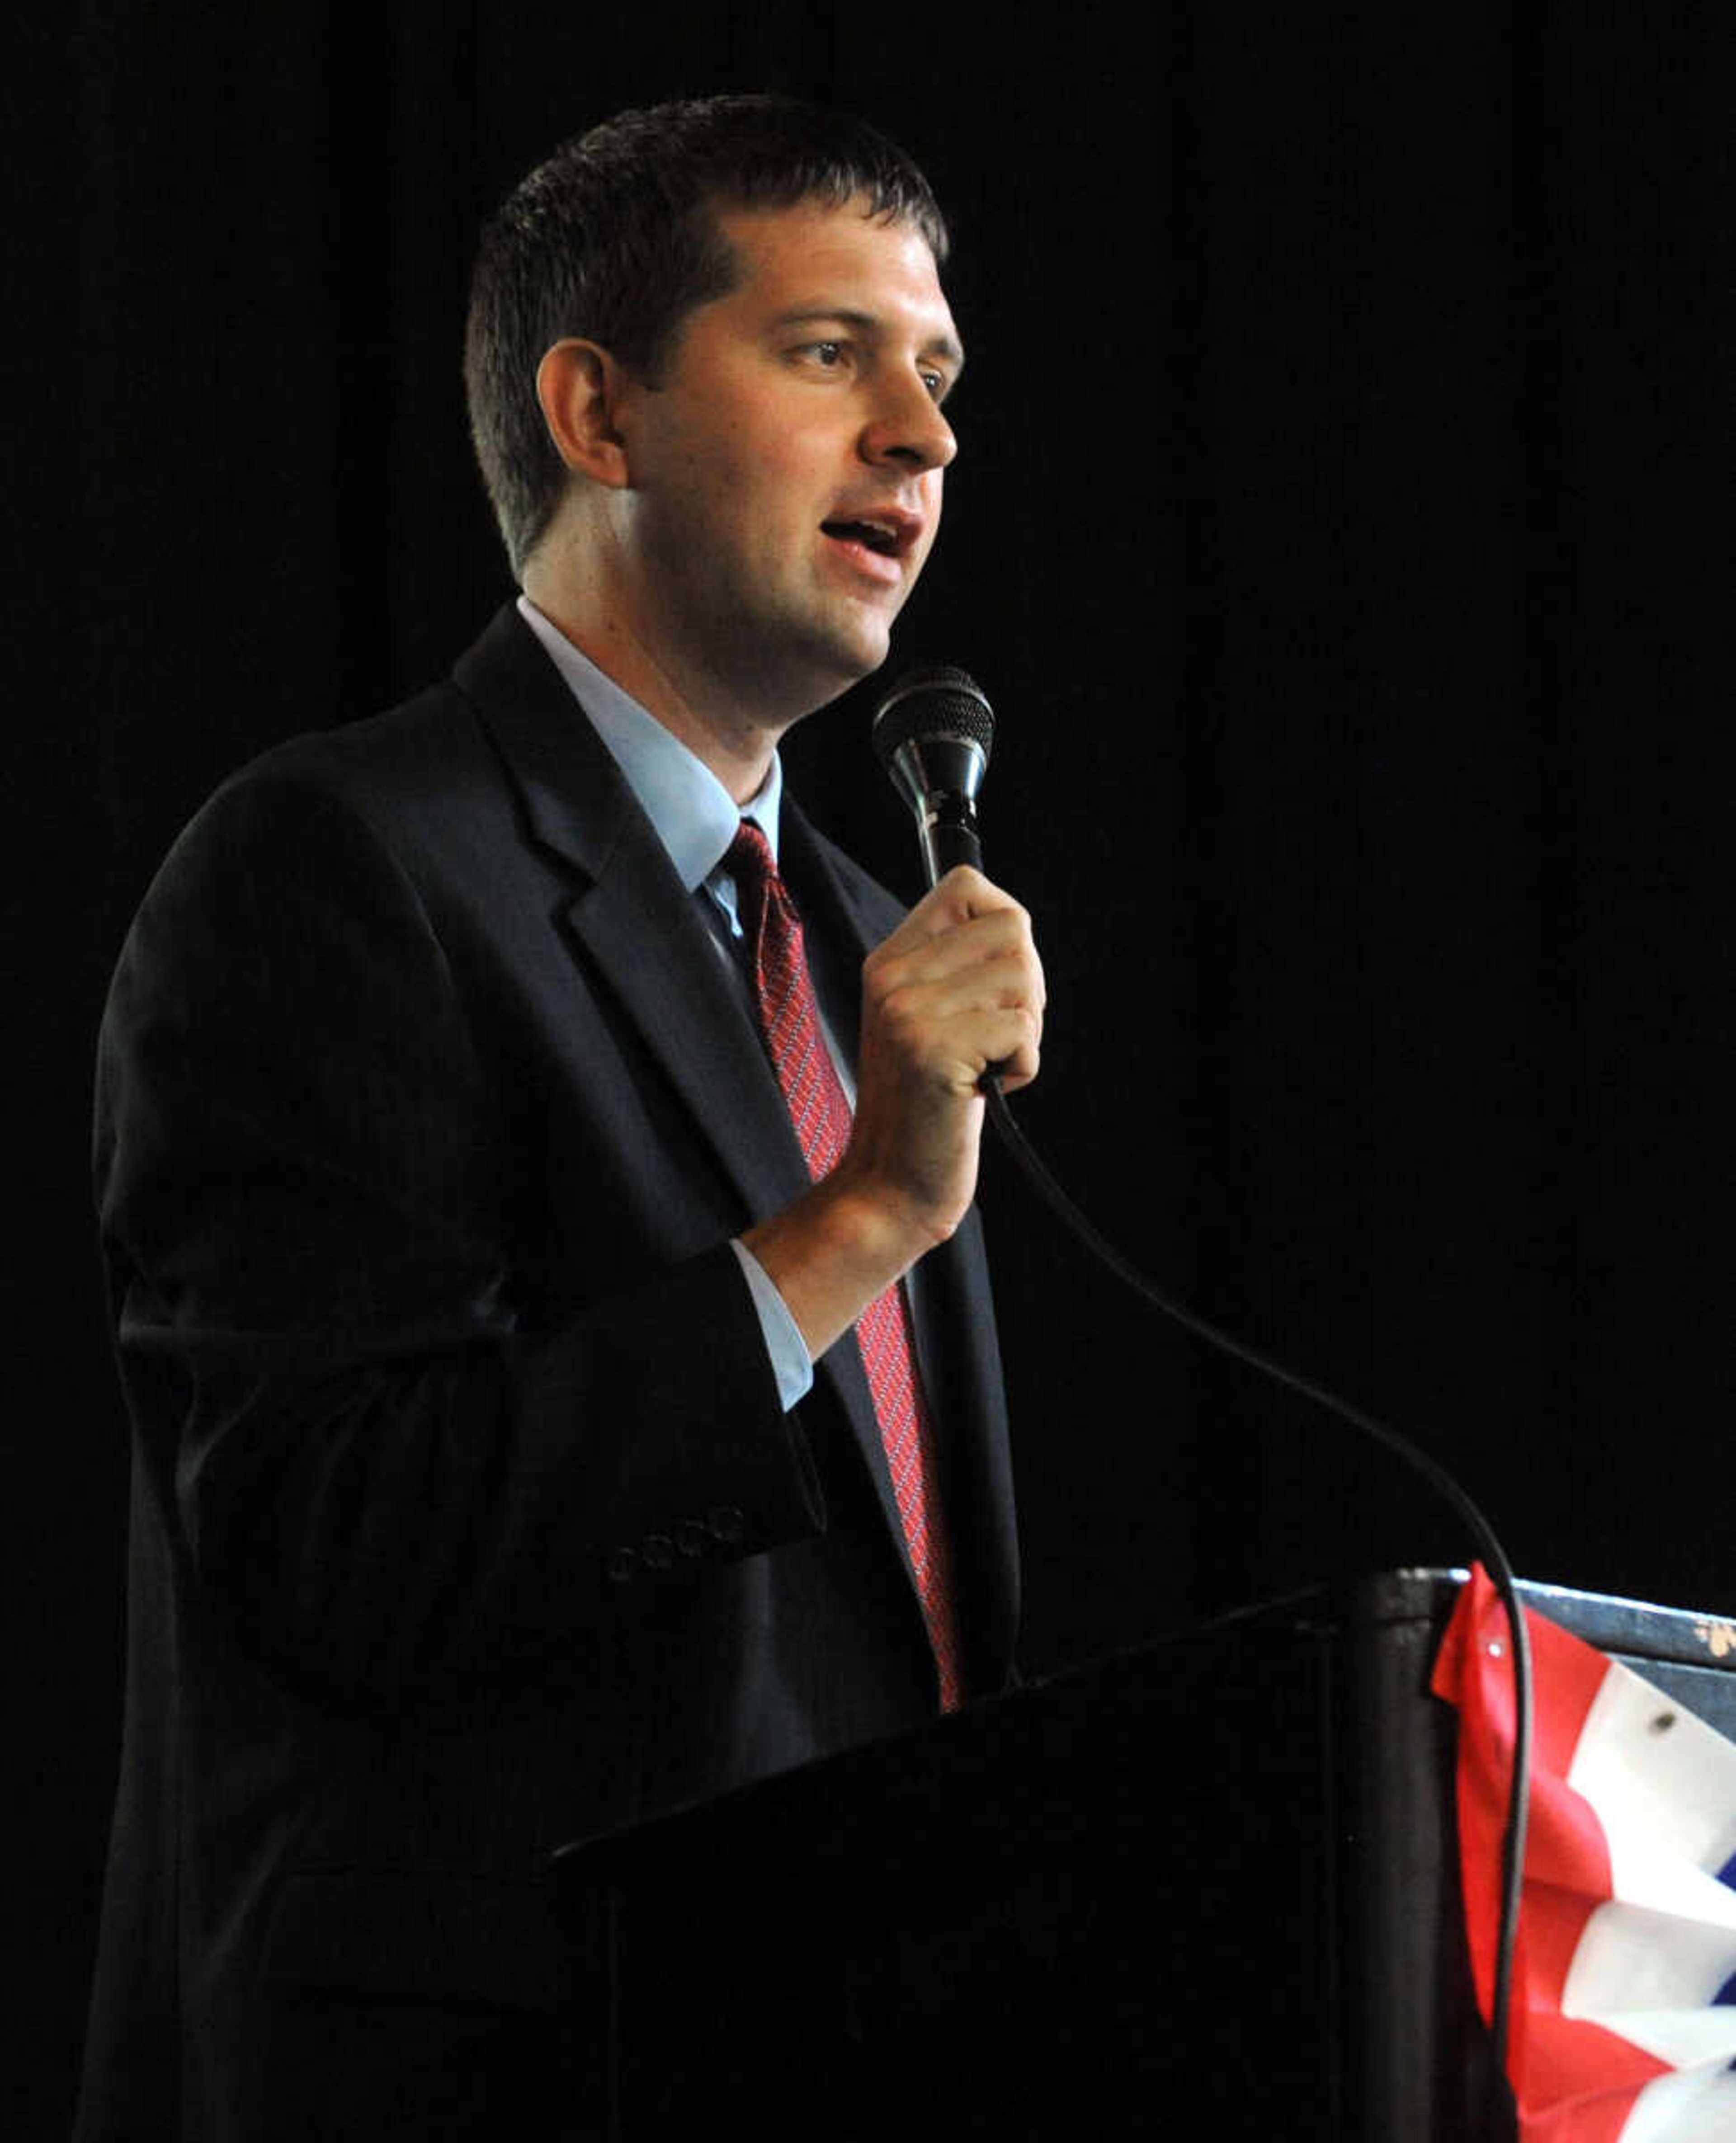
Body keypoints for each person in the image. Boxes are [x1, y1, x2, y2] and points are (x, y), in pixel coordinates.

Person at [75, 94, 1044, 2140]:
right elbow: (342, 1543)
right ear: (597, 416)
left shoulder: (865, 939)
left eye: (939, 375)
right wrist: (851, 1222)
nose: (924, 437)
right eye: (828, 352)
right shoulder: (339, 866)